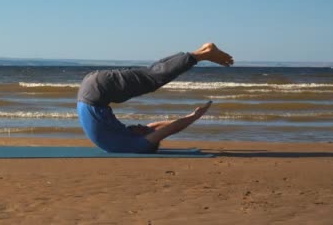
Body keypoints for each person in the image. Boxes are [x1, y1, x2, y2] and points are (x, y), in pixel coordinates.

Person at [76, 43, 234, 153]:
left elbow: (167, 129)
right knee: (151, 74)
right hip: (93, 90)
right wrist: (190, 117)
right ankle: (200, 53)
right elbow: (158, 128)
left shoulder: (135, 145)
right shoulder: (127, 141)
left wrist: (193, 117)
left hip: (97, 91)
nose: (142, 125)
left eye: (144, 129)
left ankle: (201, 55)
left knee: (151, 78)